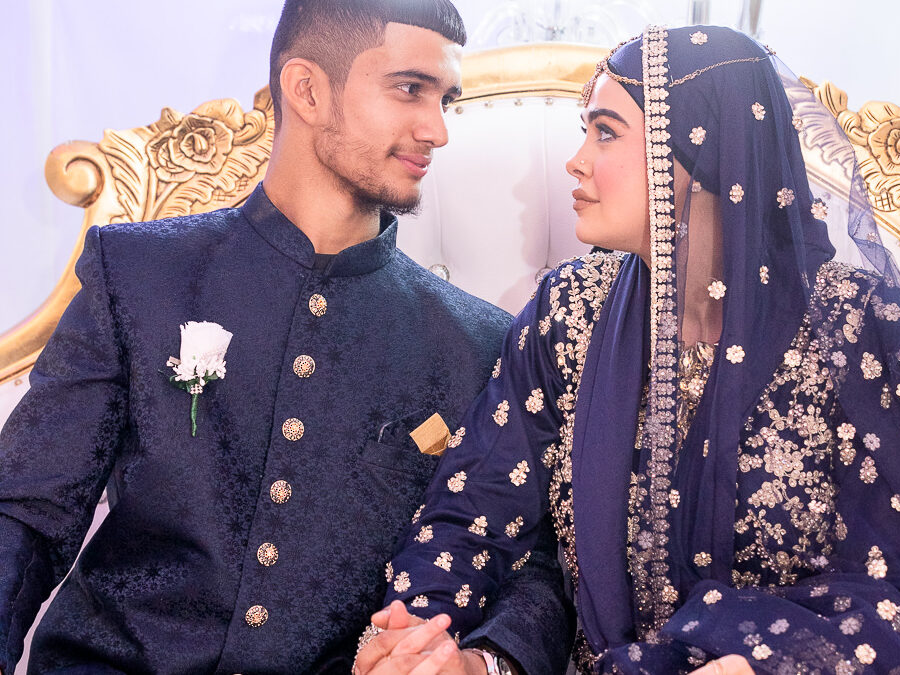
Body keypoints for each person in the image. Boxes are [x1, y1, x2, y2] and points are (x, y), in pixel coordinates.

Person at [363, 25, 900, 674]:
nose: (575, 162)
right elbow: (472, 510)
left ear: (700, 152)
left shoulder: (849, 322)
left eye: (605, 132)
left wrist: (757, 661)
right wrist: (418, 631)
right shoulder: (569, 313)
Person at [0, 1, 574, 673]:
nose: (438, 130)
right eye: (409, 89)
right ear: (306, 89)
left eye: (445, 99)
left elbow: (534, 569)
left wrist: (481, 662)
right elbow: (28, 511)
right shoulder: (139, 273)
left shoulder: (478, 342)